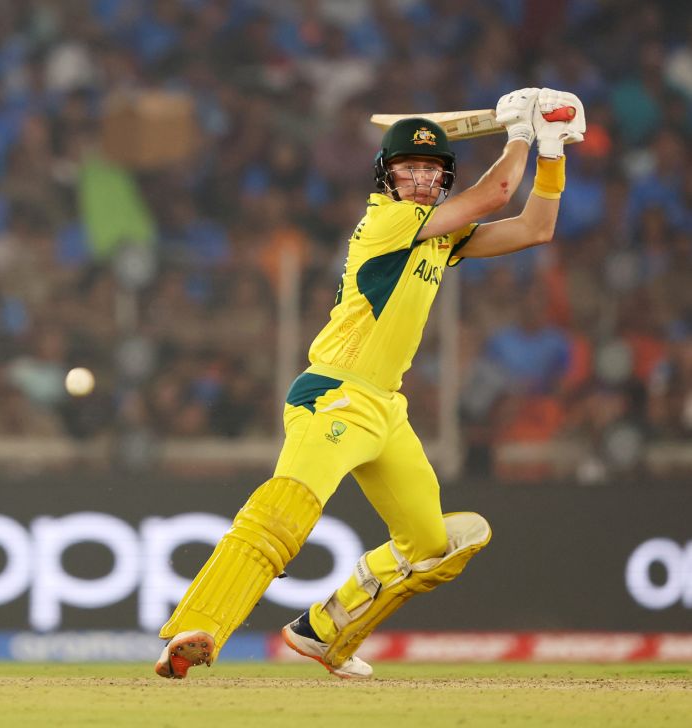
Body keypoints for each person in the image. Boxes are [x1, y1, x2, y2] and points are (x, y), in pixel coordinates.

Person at [154, 88, 585, 679]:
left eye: (432, 170)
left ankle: (322, 632)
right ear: (388, 176)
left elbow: (535, 227)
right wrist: (518, 132)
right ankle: (191, 630)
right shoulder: (388, 220)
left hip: (385, 409)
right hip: (334, 391)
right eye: (409, 169)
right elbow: (498, 193)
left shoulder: (440, 234)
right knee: (284, 513)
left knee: (433, 546)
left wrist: (553, 147)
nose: (420, 179)